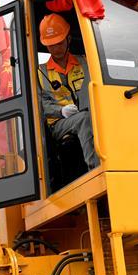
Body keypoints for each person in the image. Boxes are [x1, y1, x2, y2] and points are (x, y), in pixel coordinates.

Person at [38, 13, 99, 170]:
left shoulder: (85, 61)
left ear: (68, 39)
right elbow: (41, 106)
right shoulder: (40, 72)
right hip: (59, 124)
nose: (55, 48)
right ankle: (96, 168)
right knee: (84, 119)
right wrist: (61, 111)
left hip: (89, 114)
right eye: (51, 45)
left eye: (58, 43)